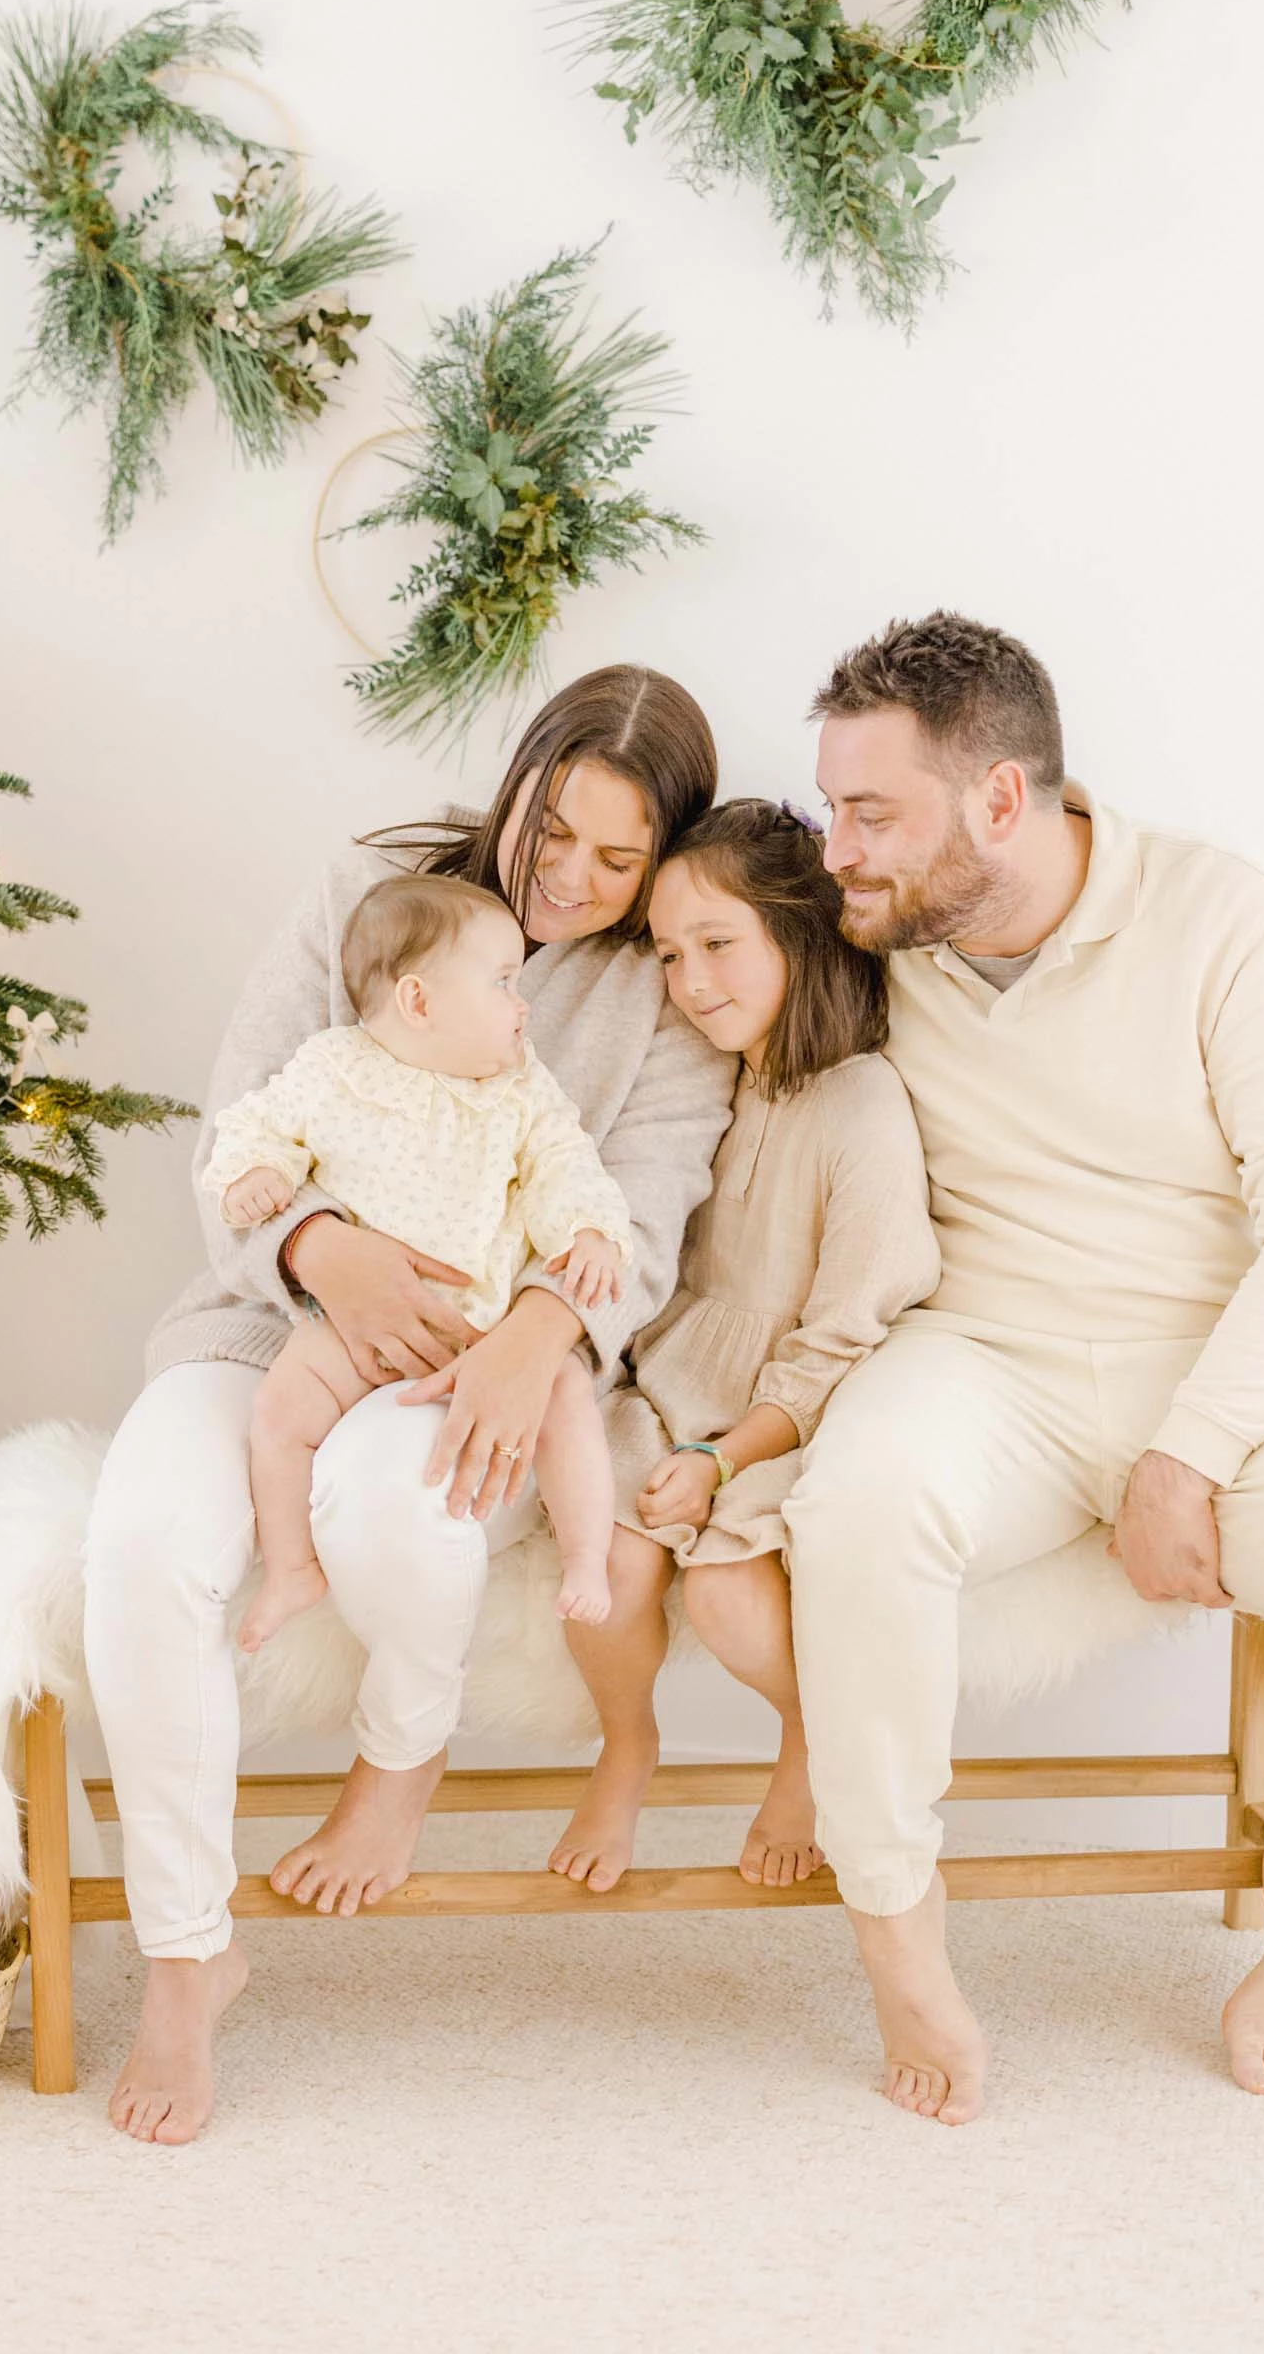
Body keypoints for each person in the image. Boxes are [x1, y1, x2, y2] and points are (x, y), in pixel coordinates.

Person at [786, 611, 1264, 2124]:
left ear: (1001, 801)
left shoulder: (1230, 916)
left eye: (872, 813)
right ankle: (903, 1951)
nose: (836, 848)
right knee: (855, 1510)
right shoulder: (866, 934)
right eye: (831, 806)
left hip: (1225, 1362)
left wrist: (1191, 1455)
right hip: (984, 1355)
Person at [83, 666, 736, 2143]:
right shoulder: (369, 898)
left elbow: (642, 1215)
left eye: (616, 859)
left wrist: (536, 1336)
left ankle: (401, 1758)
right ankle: (188, 1962)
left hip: (480, 1357)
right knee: (139, 1543)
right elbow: (239, 1128)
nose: (567, 879)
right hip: (271, 1327)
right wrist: (324, 1249)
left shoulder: (663, 990)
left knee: (405, 1509)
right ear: (514, 785)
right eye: (549, 828)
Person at [548, 800, 939, 1895]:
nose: (690, 979)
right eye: (671, 953)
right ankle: (627, 1747)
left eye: (718, 944)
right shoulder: (711, 1079)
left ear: (800, 935)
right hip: (673, 1384)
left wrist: (728, 1459)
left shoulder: (860, 1102)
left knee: (722, 1595)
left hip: (792, 1410)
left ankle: (815, 1736)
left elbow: (846, 1332)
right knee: (610, 1569)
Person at [207, 874, 632, 1651]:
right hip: (352, 1327)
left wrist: (587, 1233)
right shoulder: (333, 1069)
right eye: (504, 983)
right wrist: (254, 1176)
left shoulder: (518, 1089)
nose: (522, 1003)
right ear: (420, 1003)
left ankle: (586, 1557)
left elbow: (564, 1164)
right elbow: (254, 1124)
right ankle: (293, 1567)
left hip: (482, 1337)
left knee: (568, 1391)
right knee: (278, 1416)